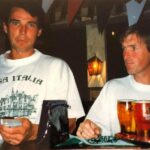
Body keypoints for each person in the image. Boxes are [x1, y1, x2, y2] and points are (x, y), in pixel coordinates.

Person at [0, 0, 85, 145]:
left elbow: (65, 125)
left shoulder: (55, 68)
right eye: (16, 23)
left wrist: (32, 131)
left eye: (31, 25)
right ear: (5, 27)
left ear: (39, 31)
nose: (23, 31)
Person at [76, 24, 150, 139]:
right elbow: (94, 128)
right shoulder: (113, 88)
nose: (125, 55)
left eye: (133, 48)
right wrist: (88, 130)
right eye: (124, 49)